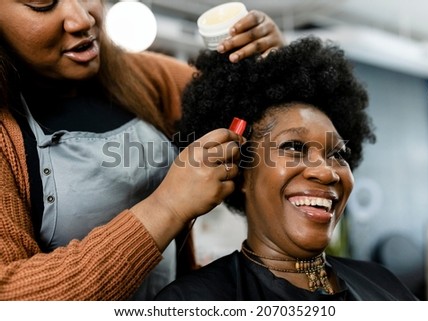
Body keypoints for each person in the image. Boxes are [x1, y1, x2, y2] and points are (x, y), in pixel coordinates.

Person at [0, 0, 285, 300]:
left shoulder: (140, 76)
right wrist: (167, 207)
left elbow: (261, 127)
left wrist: (272, 64)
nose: (82, 19)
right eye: (42, 4)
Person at [155, 36, 418, 300]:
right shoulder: (193, 300)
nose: (327, 172)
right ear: (240, 169)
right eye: (294, 147)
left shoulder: (382, 282)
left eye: (337, 154)